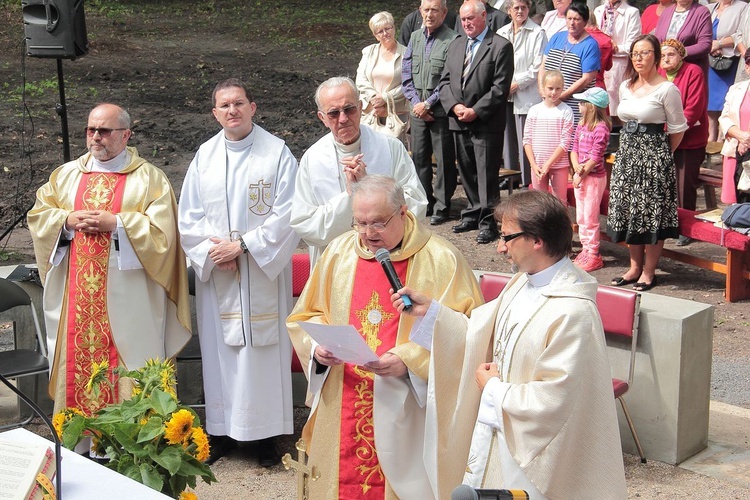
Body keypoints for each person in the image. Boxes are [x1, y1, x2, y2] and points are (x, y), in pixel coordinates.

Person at [392, 189, 628, 499]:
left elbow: (554, 399)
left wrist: (493, 389)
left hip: (529, 455)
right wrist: (432, 313)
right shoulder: (522, 281)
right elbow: (481, 336)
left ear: (537, 240)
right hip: (497, 432)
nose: (501, 248)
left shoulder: (573, 311)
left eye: (507, 237)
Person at [287, 175, 483, 500]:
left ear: (403, 213)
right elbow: (306, 315)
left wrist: (409, 361)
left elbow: (468, 332)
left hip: (406, 404)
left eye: (378, 223)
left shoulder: (442, 259)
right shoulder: (338, 253)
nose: (367, 234)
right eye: (360, 223)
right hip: (343, 395)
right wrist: (317, 349)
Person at [27, 104, 192, 422]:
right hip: (77, 294)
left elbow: (164, 235)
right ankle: (80, 444)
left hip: (130, 296)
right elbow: (39, 217)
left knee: (132, 365)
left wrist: (117, 223)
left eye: (104, 131)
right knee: (79, 367)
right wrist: (67, 220)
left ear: (126, 134)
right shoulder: (65, 176)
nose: (96, 138)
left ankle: (132, 447)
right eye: (91, 130)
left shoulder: (149, 179)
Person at [178, 79, 300, 466]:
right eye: (224, 105)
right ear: (215, 113)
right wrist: (216, 252)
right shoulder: (205, 156)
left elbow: (289, 211)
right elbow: (189, 214)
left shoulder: (276, 153)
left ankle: (265, 439)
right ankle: (221, 433)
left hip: (262, 272)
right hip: (220, 274)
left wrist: (244, 246)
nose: (232, 110)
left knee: (263, 354)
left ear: (253, 107)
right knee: (221, 355)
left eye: (239, 103)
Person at [291, 77, 428, 266]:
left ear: (361, 107)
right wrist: (349, 197)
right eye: (333, 113)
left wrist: (371, 189)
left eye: (349, 109)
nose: (343, 119)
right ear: (322, 118)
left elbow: (417, 205)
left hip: (387, 259)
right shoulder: (312, 158)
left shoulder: (390, 148)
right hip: (335, 264)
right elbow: (305, 223)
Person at [607, 34, 687, 292]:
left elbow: (677, 129)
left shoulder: (667, 89)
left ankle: (649, 272)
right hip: (627, 154)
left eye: (645, 53)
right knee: (631, 211)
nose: (639, 58)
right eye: (635, 53)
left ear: (656, 57)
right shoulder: (625, 86)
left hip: (653, 157)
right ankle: (634, 267)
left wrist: (660, 155)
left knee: (652, 215)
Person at [439, 0, 514, 244]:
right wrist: (455, 107)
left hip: (485, 122)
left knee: (486, 175)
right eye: (462, 19)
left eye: (470, 18)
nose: (466, 23)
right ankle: (472, 213)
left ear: (484, 17)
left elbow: (499, 87)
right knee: (467, 172)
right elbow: (444, 83)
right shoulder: (456, 44)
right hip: (459, 120)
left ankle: (488, 221)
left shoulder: (500, 46)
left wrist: (476, 110)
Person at [402, 0, 459, 225]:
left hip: (440, 112)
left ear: (444, 13)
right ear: (420, 12)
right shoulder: (414, 38)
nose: (430, 14)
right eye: (426, 10)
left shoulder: (453, 40)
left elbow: (449, 79)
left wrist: (428, 104)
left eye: (435, 10)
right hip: (417, 112)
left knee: (444, 159)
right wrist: (418, 104)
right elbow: (406, 75)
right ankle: (425, 201)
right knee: (419, 159)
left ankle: (443, 206)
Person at [658, 38, 708, 246]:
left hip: (689, 138)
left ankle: (687, 228)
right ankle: (668, 223)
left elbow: (694, 108)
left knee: (684, 183)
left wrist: (671, 129)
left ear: (681, 55)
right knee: (664, 182)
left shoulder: (693, 71)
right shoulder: (658, 74)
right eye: (662, 55)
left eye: (671, 54)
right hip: (662, 135)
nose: (666, 58)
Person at [497, 0, 546, 187]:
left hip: (526, 92)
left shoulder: (537, 33)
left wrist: (516, 84)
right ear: (509, 10)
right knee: (507, 137)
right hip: (504, 91)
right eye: (515, 8)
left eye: (523, 7)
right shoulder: (502, 32)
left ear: (528, 9)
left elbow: (537, 66)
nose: (519, 11)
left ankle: (527, 180)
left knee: (525, 138)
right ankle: (511, 178)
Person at [539, 3, 601, 126]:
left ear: (585, 21)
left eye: (577, 19)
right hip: (550, 102)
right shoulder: (557, 38)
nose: (572, 23)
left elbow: (587, 78)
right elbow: (543, 67)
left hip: (574, 107)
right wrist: (543, 91)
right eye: (569, 18)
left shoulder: (590, 45)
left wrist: (561, 96)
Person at [571, 87, 612, 272]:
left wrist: (581, 174)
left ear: (591, 107)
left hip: (593, 178)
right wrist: (576, 169)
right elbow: (574, 149)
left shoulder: (601, 128)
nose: (579, 105)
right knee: (581, 216)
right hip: (581, 176)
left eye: (582, 103)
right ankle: (585, 248)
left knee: (590, 216)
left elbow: (596, 157)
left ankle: (594, 253)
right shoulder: (581, 125)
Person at [356, 11, 408, 145]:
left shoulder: (407, 53)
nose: (385, 34)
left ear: (394, 28)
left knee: (392, 154)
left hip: (394, 113)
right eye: (380, 31)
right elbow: (361, 80)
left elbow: (408, 83)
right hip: (370, 112)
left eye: (388, 28)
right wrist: (374, 98)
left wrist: (384, 98)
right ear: (375, 35)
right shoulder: (368, 51)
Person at [523, 70, 574, 202]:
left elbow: (565, 142)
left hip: (559, 164)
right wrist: (533, 165)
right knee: (540, 202)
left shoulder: (566, 111)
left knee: (560, 201)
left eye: (558, 89)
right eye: (550, 88)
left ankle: (562, 223)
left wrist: (548, 164)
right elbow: (527, 140)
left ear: (563, 88)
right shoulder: (534, 110)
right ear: (543, 88)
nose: (554, 92)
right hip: (537, 165)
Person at [594, 0, 641, 123]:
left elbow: (633, 45)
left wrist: (609, 47)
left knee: (617, 109)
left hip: (619, 66)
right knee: (598, 108)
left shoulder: (631, 12)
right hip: (599, 64)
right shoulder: (598, 11)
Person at [706, 0, 744, 142]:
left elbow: (741, 33)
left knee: (726, 101)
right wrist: (710, 46)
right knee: (710, 103)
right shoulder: (709, 8)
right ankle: (711, 139)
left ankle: (723, 139)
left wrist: (719, 44)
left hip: (730, 61)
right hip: (710, 61)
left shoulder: (743, 7)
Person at [718, 51, 750, 204]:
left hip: (747, 150)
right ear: (747, 67)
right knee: (734, 205)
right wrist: (741, 136)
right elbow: (724, 118)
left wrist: (747, 140)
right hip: (733, 151)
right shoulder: (735, 89)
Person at [654, 0, 712, 77]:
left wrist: (679, 53)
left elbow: (705, 45)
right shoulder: (666, 12)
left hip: (688, 73)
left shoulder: (701, 12)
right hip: (664, 71)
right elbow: (656, 41)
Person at [585, 13, 614, 91]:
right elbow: (608, 67)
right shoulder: (607, 39)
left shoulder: (580, 38)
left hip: (581, 87)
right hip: (599, 87)